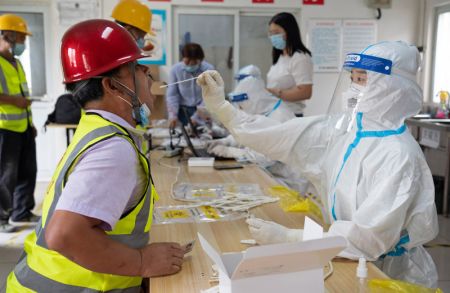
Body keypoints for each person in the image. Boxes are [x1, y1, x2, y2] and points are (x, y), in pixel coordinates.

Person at [196, 41, 439, 287]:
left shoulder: (398, 154)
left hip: (386, 274)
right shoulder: (346, 131)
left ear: (392, 87)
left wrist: (291, 238)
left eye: (363, 79)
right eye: (352, 78)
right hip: (344, 256)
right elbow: (277, 134)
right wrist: (222, 108)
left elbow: (368, 239)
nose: (354, 88)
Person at [6, 19, 188, 292]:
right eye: (136, 67)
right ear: (112, 87)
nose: (146, 71)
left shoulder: (97, 128)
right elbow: (65, 234)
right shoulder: (113, 149)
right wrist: (140, 261)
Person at [0, 13, 39, 233]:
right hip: (4, 129)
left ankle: (22, 211)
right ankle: (2, 217)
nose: (24, 43)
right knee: (6, 175)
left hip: (23, 126)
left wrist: (30, 123)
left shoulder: (16, 63)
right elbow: (14, 97)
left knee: (28, 170)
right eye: (22, 39)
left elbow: (23, 93)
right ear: (9, 35)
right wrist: (14, 101)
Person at [266, 12, 313, 117]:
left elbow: (305, 92)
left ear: (289, 32)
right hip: (276, 114)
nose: (273, 37)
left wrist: (276, 93)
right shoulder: (280, 57)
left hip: (291, 116)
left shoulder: (300, 57)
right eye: (271, 33)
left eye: (276, 32)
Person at [166, 43, 214, 129]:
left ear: (200, 60)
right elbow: (172, 95)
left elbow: (209, 95)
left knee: (202, 135)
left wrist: (197, 117)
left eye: (194, 61)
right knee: (183, 136)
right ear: (183, 58)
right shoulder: (175, 70)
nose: (190, 64)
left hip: (203, 109)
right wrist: (173, 115)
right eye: (187, 61)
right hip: (183, 111)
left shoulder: (209, 70)